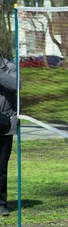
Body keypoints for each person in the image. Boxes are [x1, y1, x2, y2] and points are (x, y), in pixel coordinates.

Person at [0, 56, 19, 216]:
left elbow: (16, 86)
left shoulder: (10, 67)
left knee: (1, 168)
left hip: (4, 126)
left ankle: (1, 204)